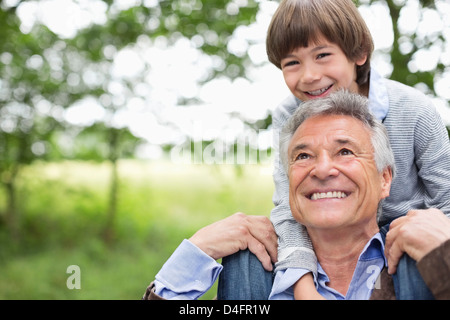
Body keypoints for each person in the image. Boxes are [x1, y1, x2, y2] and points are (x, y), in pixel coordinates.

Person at [143, 91, 450, 300]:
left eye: (345, 151)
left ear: (385, 179)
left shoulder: (423, 259)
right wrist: (197, 250)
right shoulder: (253, 271)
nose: (322, 169)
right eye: (303, 156)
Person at [261, 0, 450, 299]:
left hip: (400, 239)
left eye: (322, 55)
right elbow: (287, 206)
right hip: (328, 239)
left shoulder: (414, 110)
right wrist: (302, 283)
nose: (309, 75)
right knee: (250, 252)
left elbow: (447, 199)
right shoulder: (289, 115)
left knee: (413, 245)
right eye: (292, 63)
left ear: (359, 53)